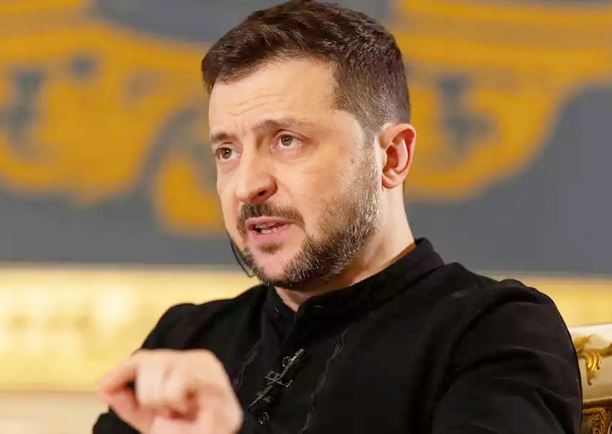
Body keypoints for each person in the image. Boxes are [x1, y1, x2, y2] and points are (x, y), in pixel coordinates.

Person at [93, 1, 582, 433]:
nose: (246, 185)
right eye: (227, 151)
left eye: (286, 140)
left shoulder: (496, 331)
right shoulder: (186, 339)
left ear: (391, 157)